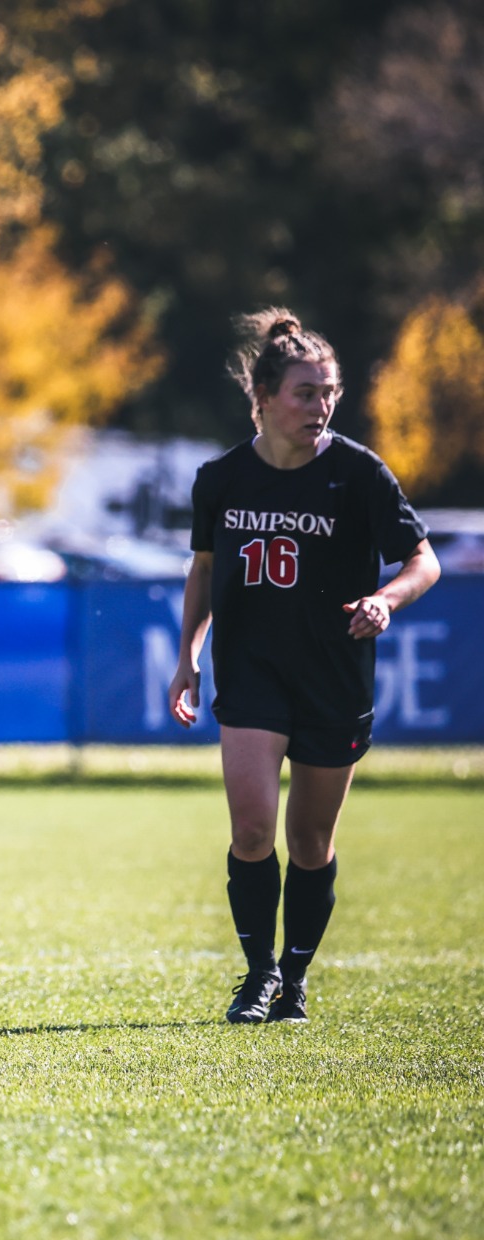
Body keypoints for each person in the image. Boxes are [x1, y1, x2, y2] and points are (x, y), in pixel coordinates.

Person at [169, 309, 439, 1025]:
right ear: (260, 396)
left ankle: (295, 976)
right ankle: (258, 975)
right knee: (253, 830)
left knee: (310, 843)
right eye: (303, 391)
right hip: (253, 673)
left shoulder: (356, 473)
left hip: (333, 678)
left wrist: (386, 599)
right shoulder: (221, 479)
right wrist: (187, 659)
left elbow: (425, 559)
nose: (319, 406)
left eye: (328, 392)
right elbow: (204, 572)